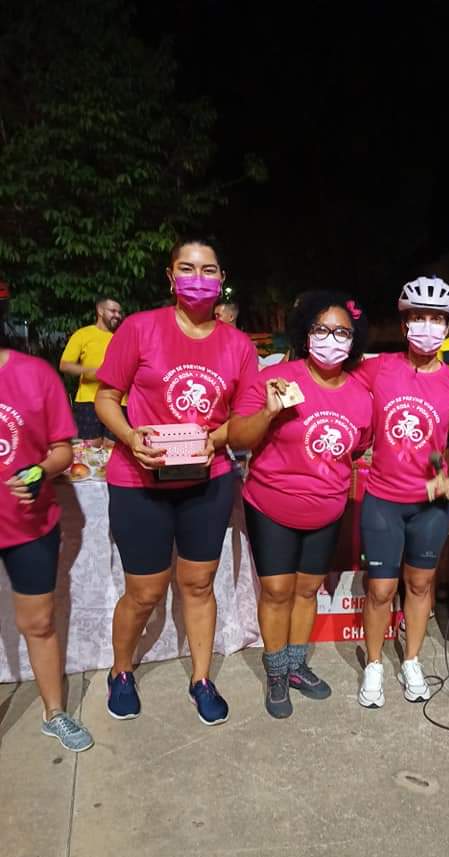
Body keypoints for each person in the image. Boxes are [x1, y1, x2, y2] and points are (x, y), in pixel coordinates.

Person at [94, 238, 257, 725]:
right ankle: (121, 671)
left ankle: (202, 678)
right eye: (187, 268)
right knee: (144, 591)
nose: (198, 278)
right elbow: (106, 398)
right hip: (139, 481)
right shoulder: (141, 329)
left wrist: (219, 435)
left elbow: (244, 417)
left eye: (208, 269)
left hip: (208, 483)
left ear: (221, 277)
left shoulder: (239, 344)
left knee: (199, 584)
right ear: (170, 277)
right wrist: (129, 434)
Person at [228, 291, 371, 719]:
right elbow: (238, 438)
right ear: (305, 333)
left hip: (326, 509)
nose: (332, 338)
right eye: (322, 329)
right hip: (271, 505)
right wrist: (269, 413)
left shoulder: (362, 395)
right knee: (276, 591)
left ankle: (295, 666)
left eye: (342, 331)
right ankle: (275, 672)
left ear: (354, 338)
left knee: (308, 590)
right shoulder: (277, 379)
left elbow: (356, 447)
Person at [353, 276, 449, 707]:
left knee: (420, 586)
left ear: (448, 325)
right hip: (383, 500)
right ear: (404, 324)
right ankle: (375, 664)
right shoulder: (379, 368)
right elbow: (334, 385)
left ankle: (412, 659)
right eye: (418, 317)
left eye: (435, 319)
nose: (427, 326)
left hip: (431, 508)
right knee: (381, 590)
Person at [0, 323, 94, 751]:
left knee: (38, 622)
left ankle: (54, 712)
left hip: (28, 525)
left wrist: (40, 471)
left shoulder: (36, 374)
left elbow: (62, 448)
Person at [60, 297, 124, 446]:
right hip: (88, 399)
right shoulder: (83, 334)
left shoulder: (122, 336)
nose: (117, 315)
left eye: (119, 312)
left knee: (113, 447)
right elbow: (65, 365)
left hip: (118, 400)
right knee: (90, 446)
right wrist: (96, 372)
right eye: (113, 311)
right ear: (100, 311)